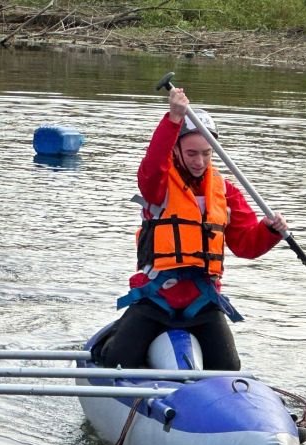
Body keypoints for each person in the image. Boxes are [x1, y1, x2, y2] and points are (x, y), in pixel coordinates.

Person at [100, 87, 288, 371]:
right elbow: (151, 167)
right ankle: (110, 340)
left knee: (228, 368)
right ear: (175, 150)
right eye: (191, 153)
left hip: (202, 302)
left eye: (206, 154)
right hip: (157, 298)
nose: (199, 162)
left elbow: (246, 245)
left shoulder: (226, 192)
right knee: (117, 360)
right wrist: (173, 119)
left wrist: (270, 231)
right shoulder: (158, 187)